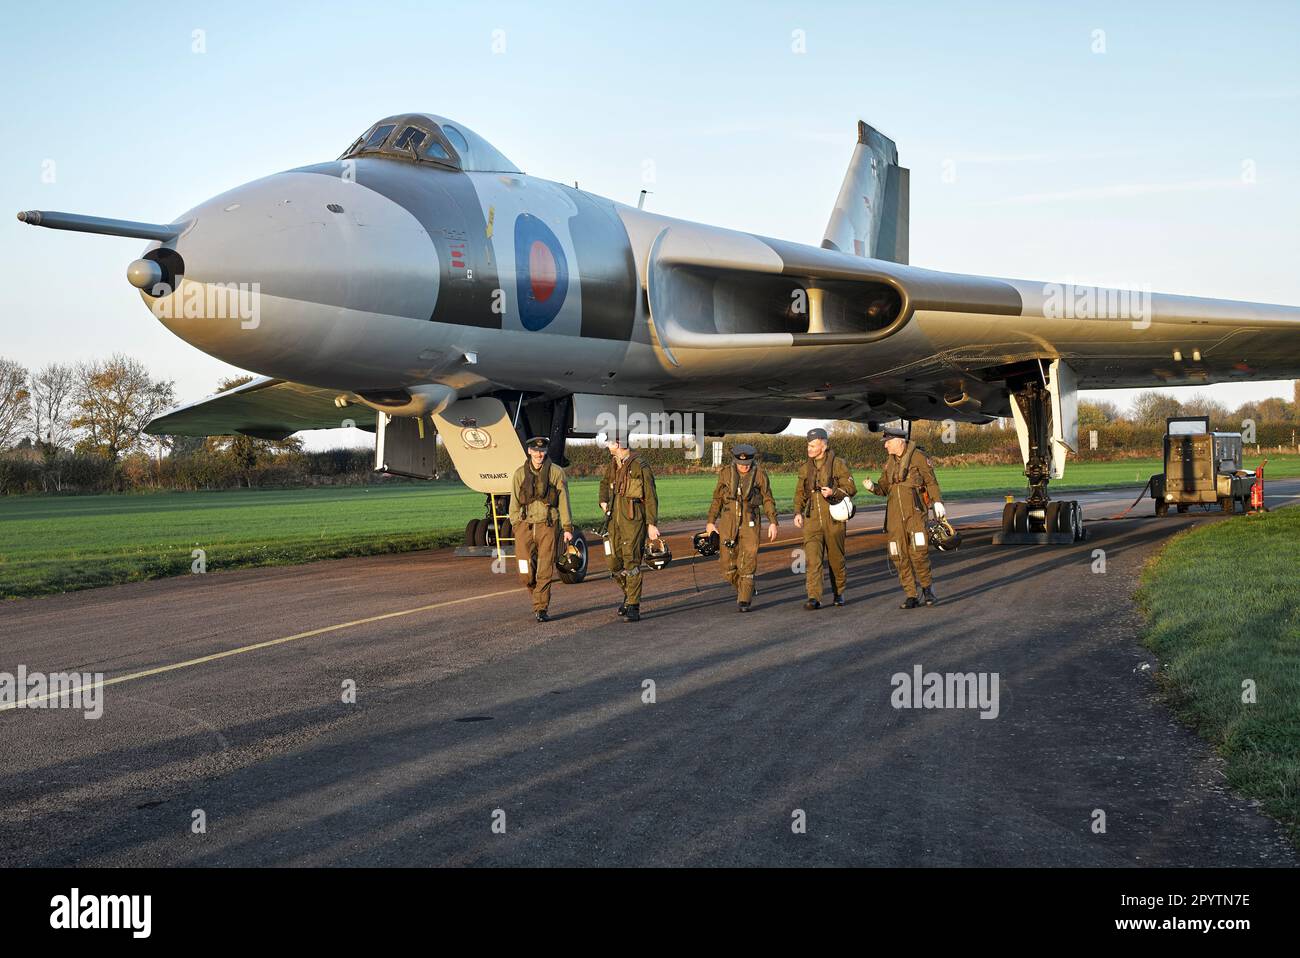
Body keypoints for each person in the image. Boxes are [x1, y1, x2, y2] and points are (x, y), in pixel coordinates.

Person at [863, 425, 945, 608]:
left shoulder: (918, 457)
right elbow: (884, 488)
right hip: (894, 517)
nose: (885, 446)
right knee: (898, 554)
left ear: (899, 441)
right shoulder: (889, 463)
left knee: (919, 553)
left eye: (888, 442)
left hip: (915, 513)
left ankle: (927, 590)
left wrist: (937, 501)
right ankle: (911, 594)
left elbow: (931, 481)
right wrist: (872, 487)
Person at [704, 444, 779, 612]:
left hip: (750, 522)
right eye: (740, 463)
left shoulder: (760, 475)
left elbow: (768, 499)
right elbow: (717, 499)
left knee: (748, 561)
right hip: (728, 522)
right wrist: (710, 521)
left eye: (747, 464)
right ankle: (747, 587)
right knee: (726, 566)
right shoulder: (725, 474)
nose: (744, 467)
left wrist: (773, 522)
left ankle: (744, 600)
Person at [508, 436, 573, 623]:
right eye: (535, 451)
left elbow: (563, 501)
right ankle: (538, 594)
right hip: (524, 526)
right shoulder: (519, 474)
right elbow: (513, 501)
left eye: (542, 450)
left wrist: (567, 527)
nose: (539, 454)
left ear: (546, 451)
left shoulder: (556, 472)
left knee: (544, 570)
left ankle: (541, 608)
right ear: (529, 451)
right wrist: (515, 524)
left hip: (547, 526)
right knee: (525, 573)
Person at [792, 427, 856, 609]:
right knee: (813, 560)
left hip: (834, 520)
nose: (808, 448)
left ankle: (839, 592)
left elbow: (851, 488)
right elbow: (800, 493)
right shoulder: (805, 468)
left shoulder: (838, 464)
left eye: (812, 445)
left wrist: (834, 492)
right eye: (808, 445)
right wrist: (797, 512)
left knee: (836, 560)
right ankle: (814, 597)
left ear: (823, 445)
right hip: (812, 521)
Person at [598, 432, 659, 623]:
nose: (607, 446)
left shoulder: (640, 465)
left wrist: (651, 524)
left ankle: (633, 605)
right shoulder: (613, 464)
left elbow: (650, 496)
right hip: (613, 522)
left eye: (609, 443)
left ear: (618, 443)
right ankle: (628, 594)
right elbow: (603, 483)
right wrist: (603, 501)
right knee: (613, 563)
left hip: (633, 521)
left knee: (631, 562)